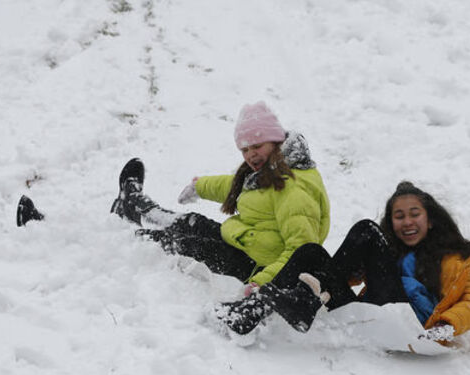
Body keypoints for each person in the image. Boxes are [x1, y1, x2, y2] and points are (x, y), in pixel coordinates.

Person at [19, 101, 331, 290]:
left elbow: (302, 253)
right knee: (191, 222)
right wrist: (201, 186)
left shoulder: (295, 189)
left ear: (276, 142)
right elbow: (240, 189)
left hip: (254, 266)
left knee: (162, 242)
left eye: (257, 146)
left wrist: (261, 283)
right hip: (243, 245)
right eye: (245, 149)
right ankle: (134, 205)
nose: (250, 155)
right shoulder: (274, 172)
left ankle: (54, 229)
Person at [216, 181, 470, 342]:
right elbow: (345, 273)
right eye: (399, 216)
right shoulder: (390, 253)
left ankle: (306, 301)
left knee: (366, 229)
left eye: (415, 214)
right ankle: (249, 312)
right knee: (310, 252)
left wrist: (446, 325)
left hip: (410, 322)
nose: (407, 222)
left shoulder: (456, 258)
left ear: (430, 219)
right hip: (372, 312)